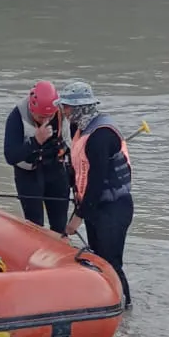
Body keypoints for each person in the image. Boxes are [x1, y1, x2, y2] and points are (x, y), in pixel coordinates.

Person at [57, 80, 133, 307]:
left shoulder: (101, 136)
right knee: (97, 259)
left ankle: (125, 306)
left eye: (68, 107)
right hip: (95, 208)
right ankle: (105, 303)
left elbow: (97, 182)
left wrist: (77, 218)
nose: (64, 111)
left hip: (114, 209)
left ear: (80, 108)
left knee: (111, 262)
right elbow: (81, 169)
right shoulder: (79, 128)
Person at [3, 80, 71, 233]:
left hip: (56, 169)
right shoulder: (17, 117)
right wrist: (35, 141)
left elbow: (73, 145)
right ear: (32, 109)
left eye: (49, 116)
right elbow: (10, 156)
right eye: (41, 117)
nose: (46, 121)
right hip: (28, 174)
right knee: (35, 223)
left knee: (59, 224)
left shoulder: (62, 112)